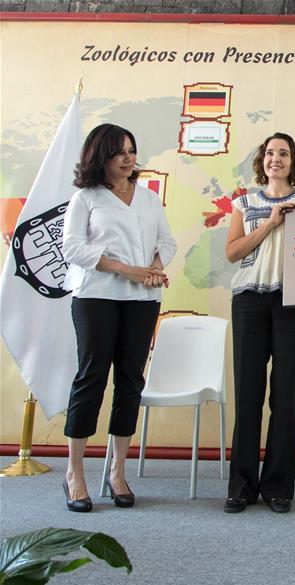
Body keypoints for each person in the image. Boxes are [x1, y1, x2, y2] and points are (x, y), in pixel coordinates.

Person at [61, 123, 176, 512]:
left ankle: (117, 471)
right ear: (101, 156)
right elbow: (72, 248)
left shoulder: (147, 198)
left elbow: (167, 241)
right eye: (119, 152)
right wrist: (125, 269)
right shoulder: (86, 197)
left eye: (131, 150)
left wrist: (154, 268)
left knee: (130, 382)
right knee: (91, 378)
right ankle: (75, 472)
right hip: (96, 296)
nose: (128, 158)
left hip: (143, 299)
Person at [224, 132, 295, 514]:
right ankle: (241, 487)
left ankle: (279, 487)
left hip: (293, 303)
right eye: (270, 153)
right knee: (248, 395)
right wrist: (269, 223)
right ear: (261, 160)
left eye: (283, 153)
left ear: (293, 161)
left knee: (285, 397)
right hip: (249, 300)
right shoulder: (243, 203)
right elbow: (233, 252)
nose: (275, 159)